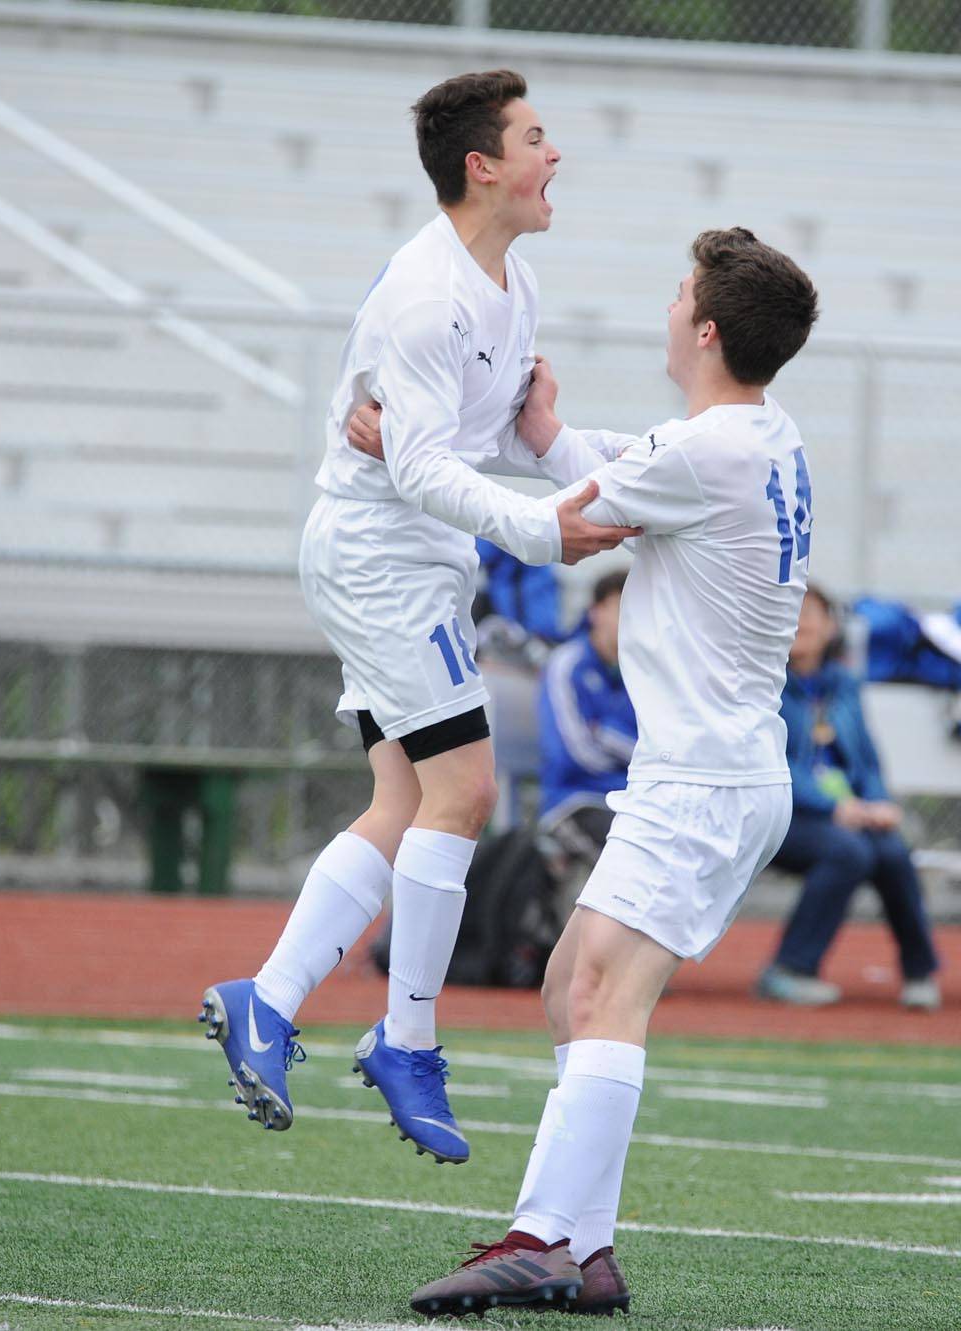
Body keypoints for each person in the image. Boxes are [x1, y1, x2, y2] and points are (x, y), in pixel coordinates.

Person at [199, 69, 639, 1167]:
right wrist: (542, 527)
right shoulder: (425, 293)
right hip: (381, 564)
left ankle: (270, 998)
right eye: (537, 137)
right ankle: (404, 1036)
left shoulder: (510, 286)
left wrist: (543, 439)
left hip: (417, 563)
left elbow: (446, 442)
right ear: (480, 164)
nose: (555, 157)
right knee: (466, 788)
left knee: (405, 798)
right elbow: (424, 463)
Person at [399, 226, 820, 1317]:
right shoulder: (751, 434)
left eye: (682, 291)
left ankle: (541, 1235)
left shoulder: (704, 449)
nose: (670, 305)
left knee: (598, 994)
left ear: (708, 328)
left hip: (700, 780)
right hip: (716, 773)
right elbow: (624, 476)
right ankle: (584, 1248)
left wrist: (410, 454)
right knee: (562, 987)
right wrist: (543, 434)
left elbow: (568, 526)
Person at [754, 584, 941, 1010]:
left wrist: (877, 804)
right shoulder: (762, 681)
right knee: (849, 852)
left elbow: (867, 760)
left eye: (812, 613)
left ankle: (920, 972)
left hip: (845, 815)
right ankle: (789, 969)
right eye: (791, 612)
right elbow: (772, 762)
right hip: (781, 815)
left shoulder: (844, 684)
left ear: (830, 625)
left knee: (891, 850)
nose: (801, 622)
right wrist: (835, 807)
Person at [535, 569, 634, 866]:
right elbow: (572, 754)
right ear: (596, 612)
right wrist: (635, 774)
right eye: (622, 608)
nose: (633, 618)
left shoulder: (641, 671)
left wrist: (605, 735)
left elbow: (660, 746)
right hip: (574, 802)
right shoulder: (567, 664)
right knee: (632, 858)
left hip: (630, 800)